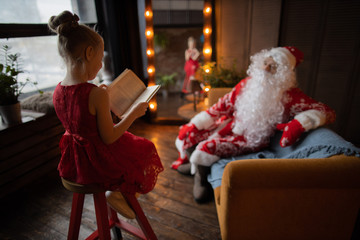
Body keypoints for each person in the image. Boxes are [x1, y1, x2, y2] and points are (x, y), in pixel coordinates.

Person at [172, 46, 336, 203]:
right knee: (189, 133)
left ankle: (201, 180)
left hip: (252, 138)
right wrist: (197, 123)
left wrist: (299, 124)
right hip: (231, 126)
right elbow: (222, 105)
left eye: (273, 66)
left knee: (206, 147)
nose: (265, 68)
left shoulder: (290, 96)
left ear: (283, 73)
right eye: (265, 63)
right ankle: (194, 166)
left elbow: (326, 111)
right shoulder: (247, 84)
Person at [49, 11, 163, 200]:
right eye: (100, 58)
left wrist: (99, 94)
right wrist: (133, 114)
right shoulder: (96, 94)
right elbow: (109, 138)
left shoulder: (58, 91)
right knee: (145, 147)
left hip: (75, 161)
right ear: (89, 53)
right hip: (98, 162)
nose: (101, 65)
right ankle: (119, 192)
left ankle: (118, 190)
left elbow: (81, 118)